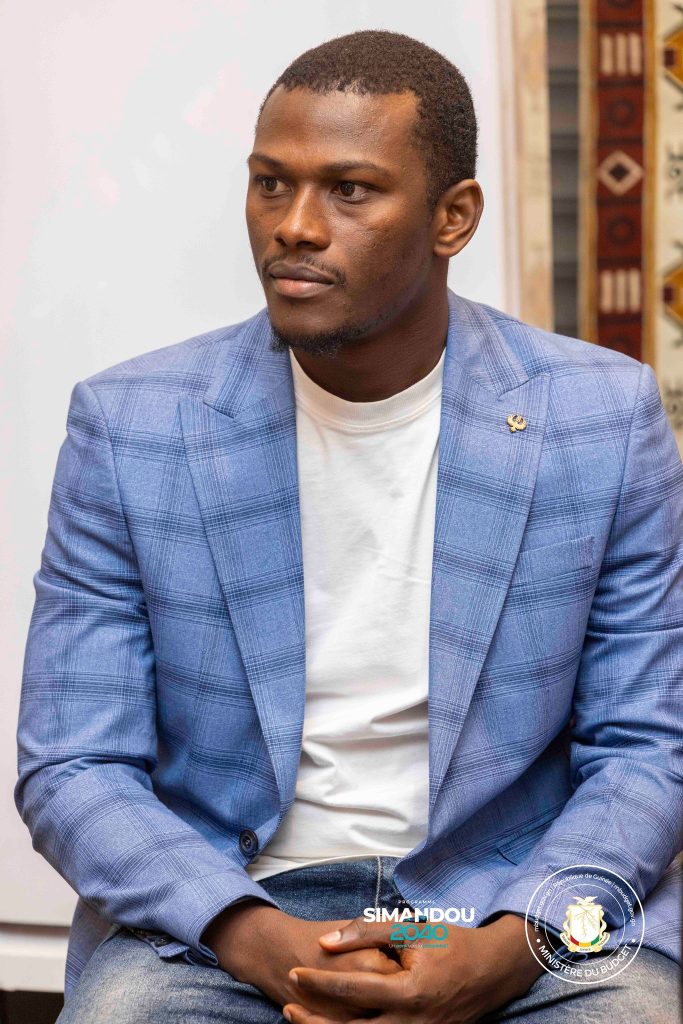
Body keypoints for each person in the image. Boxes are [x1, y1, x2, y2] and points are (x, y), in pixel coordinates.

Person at [15, 28, 682, 1024]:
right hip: (227, 912)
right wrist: (256, 938)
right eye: (270, 185)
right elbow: (73, 766)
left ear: (452, 217)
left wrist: (506, 950)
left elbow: (647, 748)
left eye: (350, 190)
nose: (294, 226)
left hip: (513, 904)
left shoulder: (598, 418)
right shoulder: (133, 428)